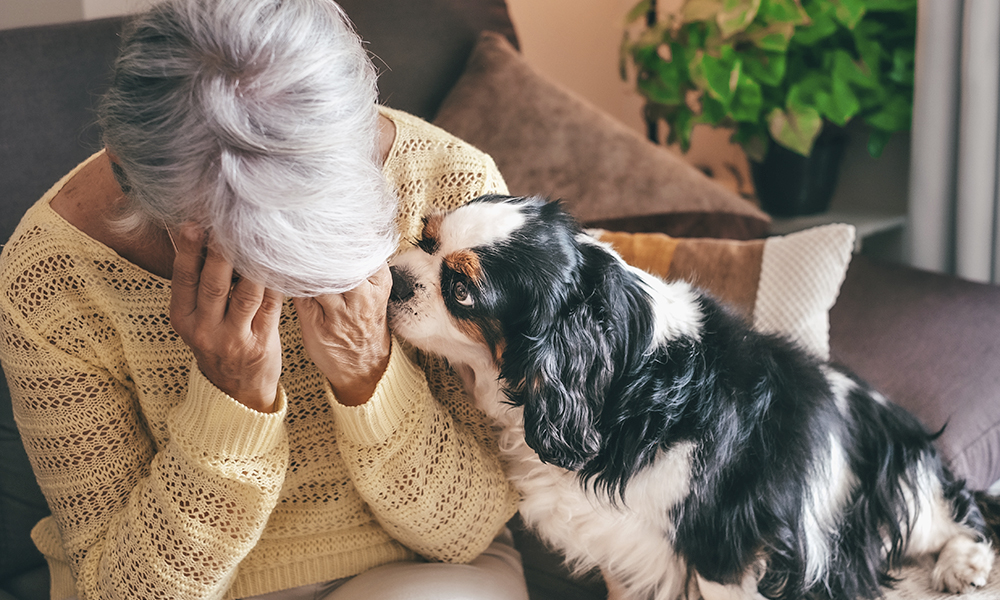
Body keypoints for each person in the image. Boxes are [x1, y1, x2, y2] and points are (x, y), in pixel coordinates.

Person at [0, 0, 528, 599]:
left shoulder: (452, 194)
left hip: (420, 570)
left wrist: (368, 377)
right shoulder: (47, 276)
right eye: (247, 248)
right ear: (130, 176)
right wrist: (232, 400)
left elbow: (468, 530)